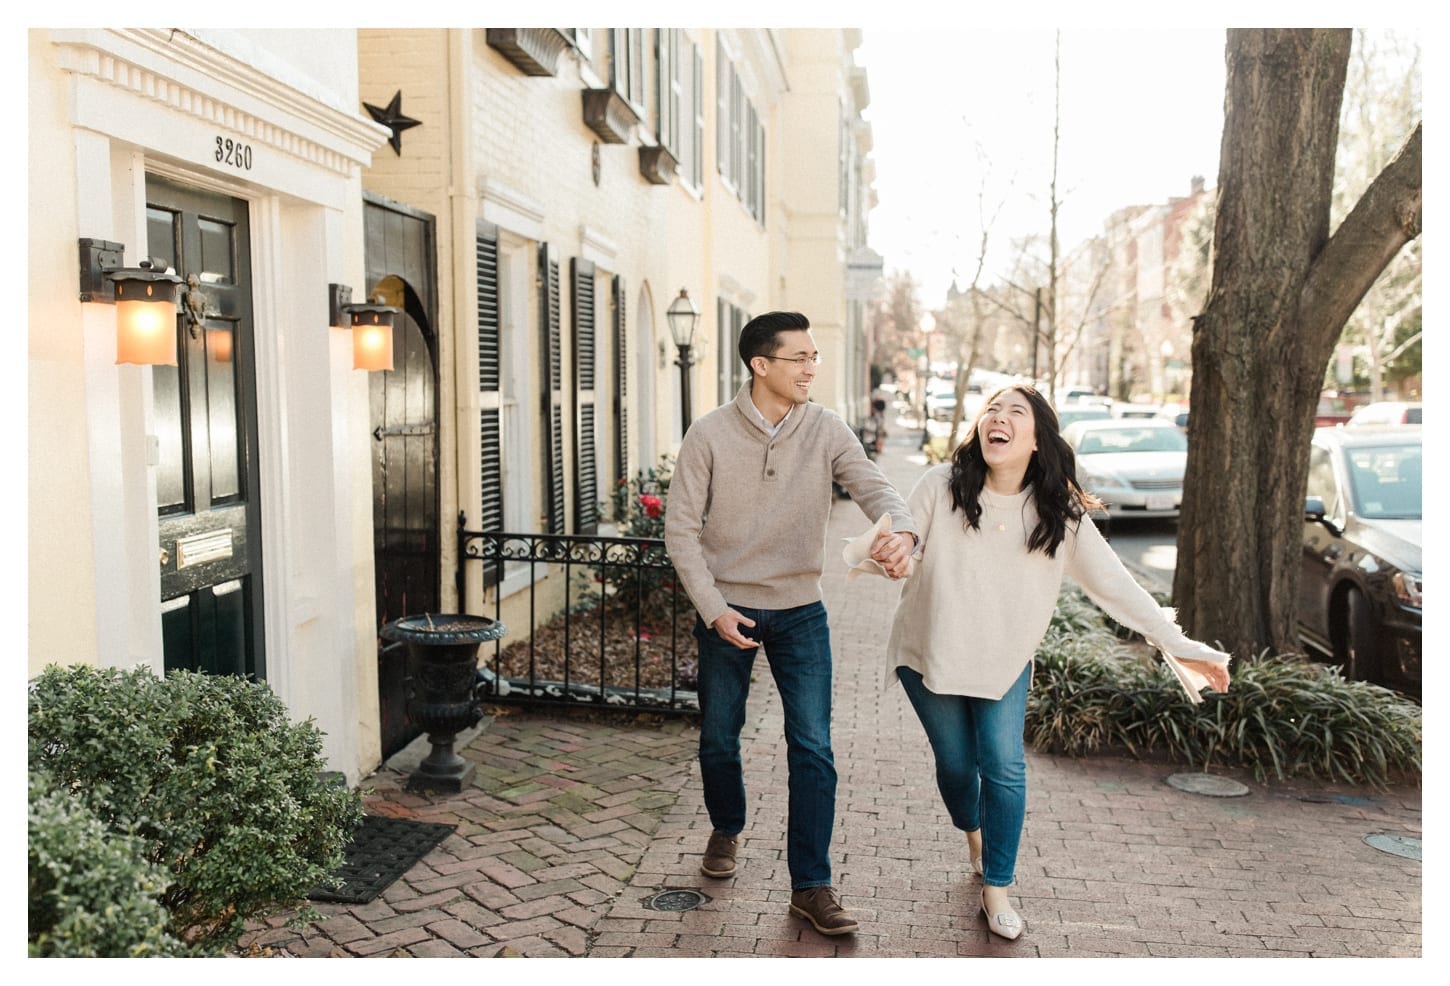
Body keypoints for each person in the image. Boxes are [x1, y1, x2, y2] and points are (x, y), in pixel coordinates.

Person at [869, 383, 1231, 940]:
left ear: (1037, 440)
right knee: (958, 768)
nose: (999, 418)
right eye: (992, 409)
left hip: (1004, 659)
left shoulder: (1058, 513)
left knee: (1005, 768)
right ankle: (974, 834)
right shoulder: (940, 485)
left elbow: (1116, 586)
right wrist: (893, 554)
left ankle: (997, 886)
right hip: (930, 653)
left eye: (1015, 412)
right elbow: (907, 538)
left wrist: (1178, 643)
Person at [664, 311, 919, 937]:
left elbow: (876, 489)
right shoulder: (710, 435)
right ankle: (727, 827)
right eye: (799, 357)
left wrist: (904, 528)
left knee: (813, 746)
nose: (811, 367)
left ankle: (811, 885)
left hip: (801, 610)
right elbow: (680, 532)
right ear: (761, 365)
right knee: (719, 738)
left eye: (813, 358)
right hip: (727, 607)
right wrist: (714, 608)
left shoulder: (826, 428)